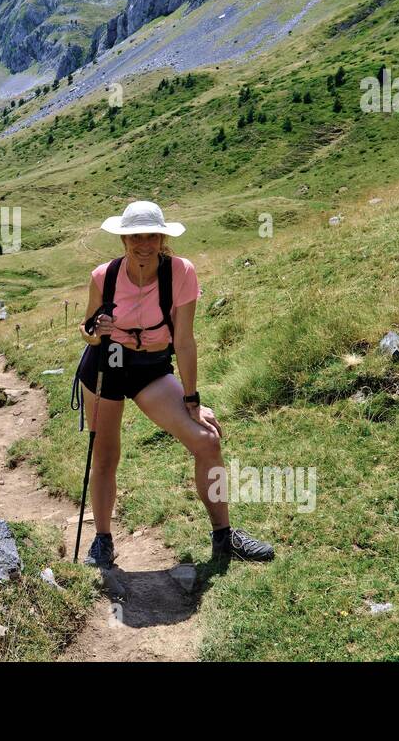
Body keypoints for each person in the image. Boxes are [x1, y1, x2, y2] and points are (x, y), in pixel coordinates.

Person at [77, 201, 275, 568]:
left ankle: (224, 536)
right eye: (135, 236)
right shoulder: (102, 276)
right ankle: (102, 540)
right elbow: (87, 330)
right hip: (106, 365)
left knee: (207, 441)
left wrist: (192, 399)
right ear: (123, 239)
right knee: (106, 455)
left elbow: (184, 340)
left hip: (150, 368)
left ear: (163, 238)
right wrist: (96, 330)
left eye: (151, 235)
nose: (144, 243)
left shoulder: (181, 273)